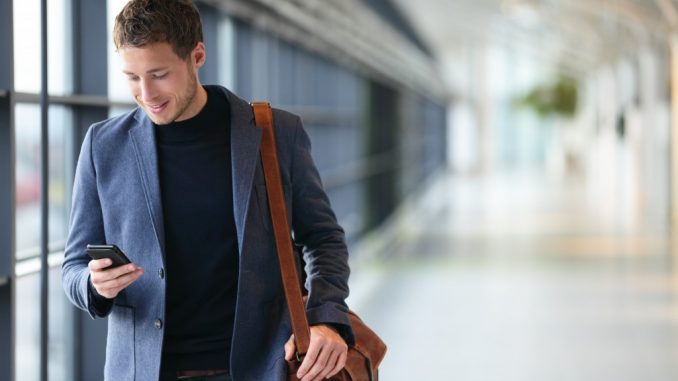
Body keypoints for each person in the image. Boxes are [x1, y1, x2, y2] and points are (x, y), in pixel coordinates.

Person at [61, 1, 354, 380]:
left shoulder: (274, 133)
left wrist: (327, 317)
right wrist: (94, 284)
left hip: (261, 367)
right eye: (132, 77)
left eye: (159, 74)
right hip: (146, 371)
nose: (146, 92)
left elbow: (323, 238)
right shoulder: (104, 145)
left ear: (197, 55)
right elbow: (72, 268)